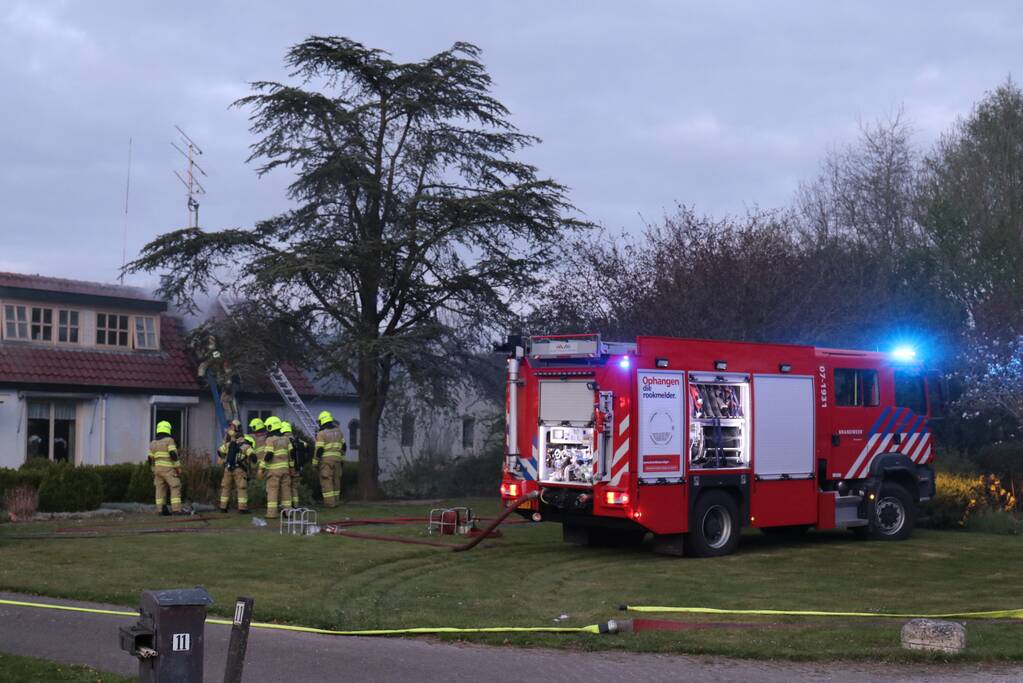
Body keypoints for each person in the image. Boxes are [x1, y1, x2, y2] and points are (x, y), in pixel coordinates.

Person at [258, 416, 292, 519]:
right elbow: (292, 454)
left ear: (271, 427)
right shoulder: (286, 439)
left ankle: (271, 514)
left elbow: (268, 455)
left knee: (272, 491)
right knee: (286, 492)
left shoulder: (270, 439)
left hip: (274, 471)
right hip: (285, 470)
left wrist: (261, 468)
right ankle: (288, 513)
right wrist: (292, 467)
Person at [217, 419, 252, 513]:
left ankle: (223, 508)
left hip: (228, 468)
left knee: (225, 488)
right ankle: (242, 509)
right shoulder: (242, 442)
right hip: (239, 469)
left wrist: (224, 459)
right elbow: (251, 455)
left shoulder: (228, 442)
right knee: (241, 488)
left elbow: (219, 451)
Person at [313, 411, 346, 508]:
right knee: (336, 481)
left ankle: (329, 503)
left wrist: (315, 462)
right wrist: (341, 458)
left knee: (326, 480)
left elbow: (319, 449)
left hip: (326, 461)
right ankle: (336, 501)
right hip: (338, 460)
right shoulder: (339, 432)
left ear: (323, 421)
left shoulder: (321, 434)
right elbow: (344, 446)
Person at [148, 420, 182, 515]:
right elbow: (173, 455)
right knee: (175, 486)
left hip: (157, 470)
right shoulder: (169, 440)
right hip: (168, 469)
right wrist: (178, 468)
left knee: (160, 489)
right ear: (168, 429)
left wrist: (153, 469)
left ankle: (160, 510)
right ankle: (176, 509)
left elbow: (150, 459)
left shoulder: (153, 443)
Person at [279, 422, 304, 509]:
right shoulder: (297, 440)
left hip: (288, 467)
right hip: (297, 467)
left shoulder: (283, 440)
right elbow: (307, 448)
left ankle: (286, 505)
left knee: (286, 487)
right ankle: (295, 505)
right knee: (294, 487)